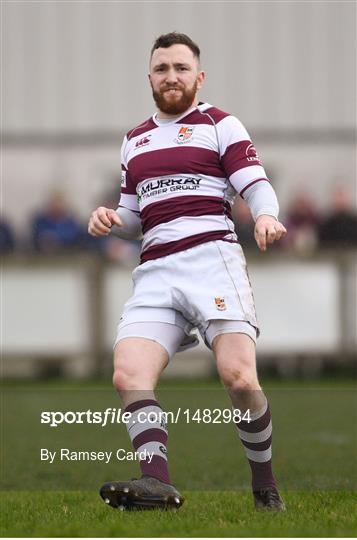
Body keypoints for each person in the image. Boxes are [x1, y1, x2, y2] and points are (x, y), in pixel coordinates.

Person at [88, 32, 287, 512]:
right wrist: (111, 221)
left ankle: (265, 486)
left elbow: (255, 184)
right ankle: (156, 483)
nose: (171, 76)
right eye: (161, 69)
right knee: (128, 374)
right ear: (150, 79)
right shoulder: (134, 140)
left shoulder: (220, 124)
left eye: (180, 68)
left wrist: (264, 214)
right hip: (155, 271)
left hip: (212, 262)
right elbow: (135, 219)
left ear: (198, 77)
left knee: (239, 377)